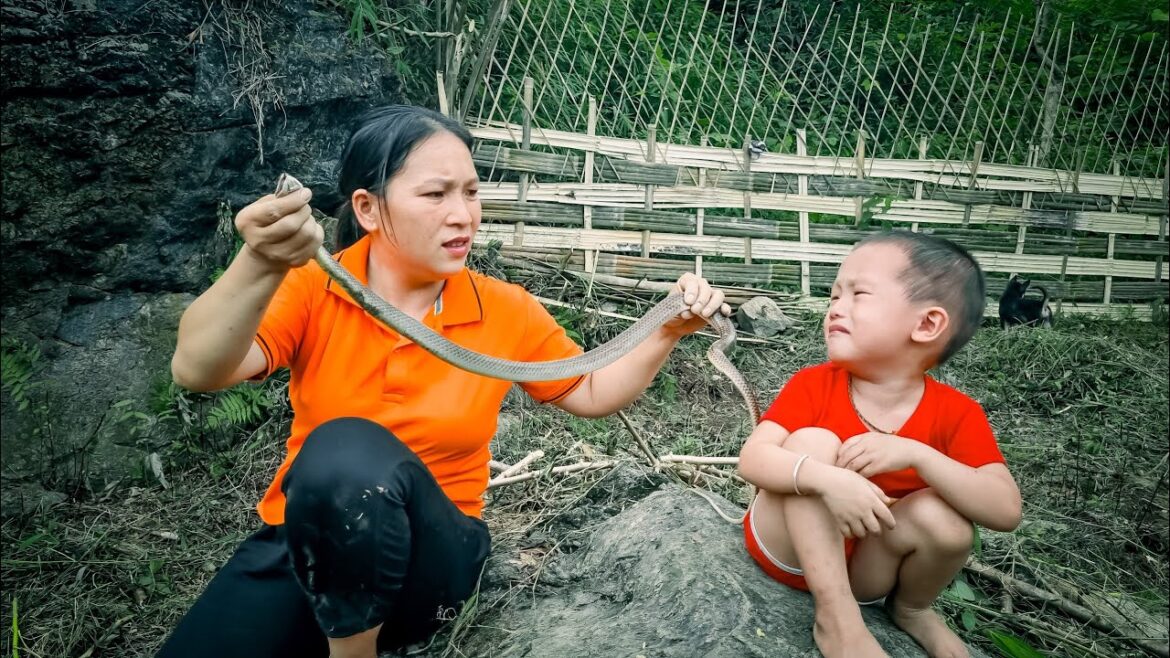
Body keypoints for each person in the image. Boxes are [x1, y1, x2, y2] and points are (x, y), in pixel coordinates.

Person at [158, 105, 730, 658]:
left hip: (431, 561)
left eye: (471, 192)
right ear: (369, 208)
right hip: (309, 544)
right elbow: (198, 369)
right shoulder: (314, 286)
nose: (464, 215)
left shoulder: (505, 309)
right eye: (436, 195)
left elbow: (589, 391)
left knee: (341, 449)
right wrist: (259, 261)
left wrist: (665, 331)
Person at [737, 231, 1022, 658]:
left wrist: (918, 455)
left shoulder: (957, 413)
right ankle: (837, 619)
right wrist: (827, 480)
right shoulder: (814, 384)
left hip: (867, 574)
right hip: (788, 548)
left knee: (946, 520)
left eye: (859, 294)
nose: (835, 307)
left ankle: (911, 608)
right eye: (834, 295)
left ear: (926, 324)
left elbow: (1005, 510)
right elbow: (753, 459)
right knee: (814, 441)